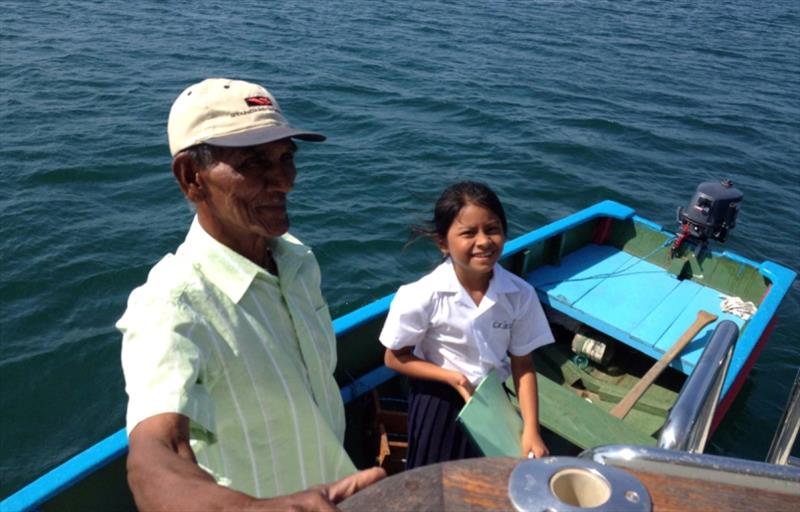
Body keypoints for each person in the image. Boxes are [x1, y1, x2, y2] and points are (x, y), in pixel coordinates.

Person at [118, 78, 384, 511]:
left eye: (286, 157)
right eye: (254, 162)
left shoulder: (297, 261)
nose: (285, 182)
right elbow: (153, 458)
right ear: (191, 178)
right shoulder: (170, 305)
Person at [379, 181, 554, 469]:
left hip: (491, 402)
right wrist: (452, 377)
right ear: (442, 243)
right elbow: (394, 357)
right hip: (438, 398)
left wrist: (531, 429)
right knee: (433, 478)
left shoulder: (520, 295)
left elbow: (523, 365)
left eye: (492, 229)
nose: (484, 241)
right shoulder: (421, 295)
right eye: (468, 233)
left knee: (487, 477)